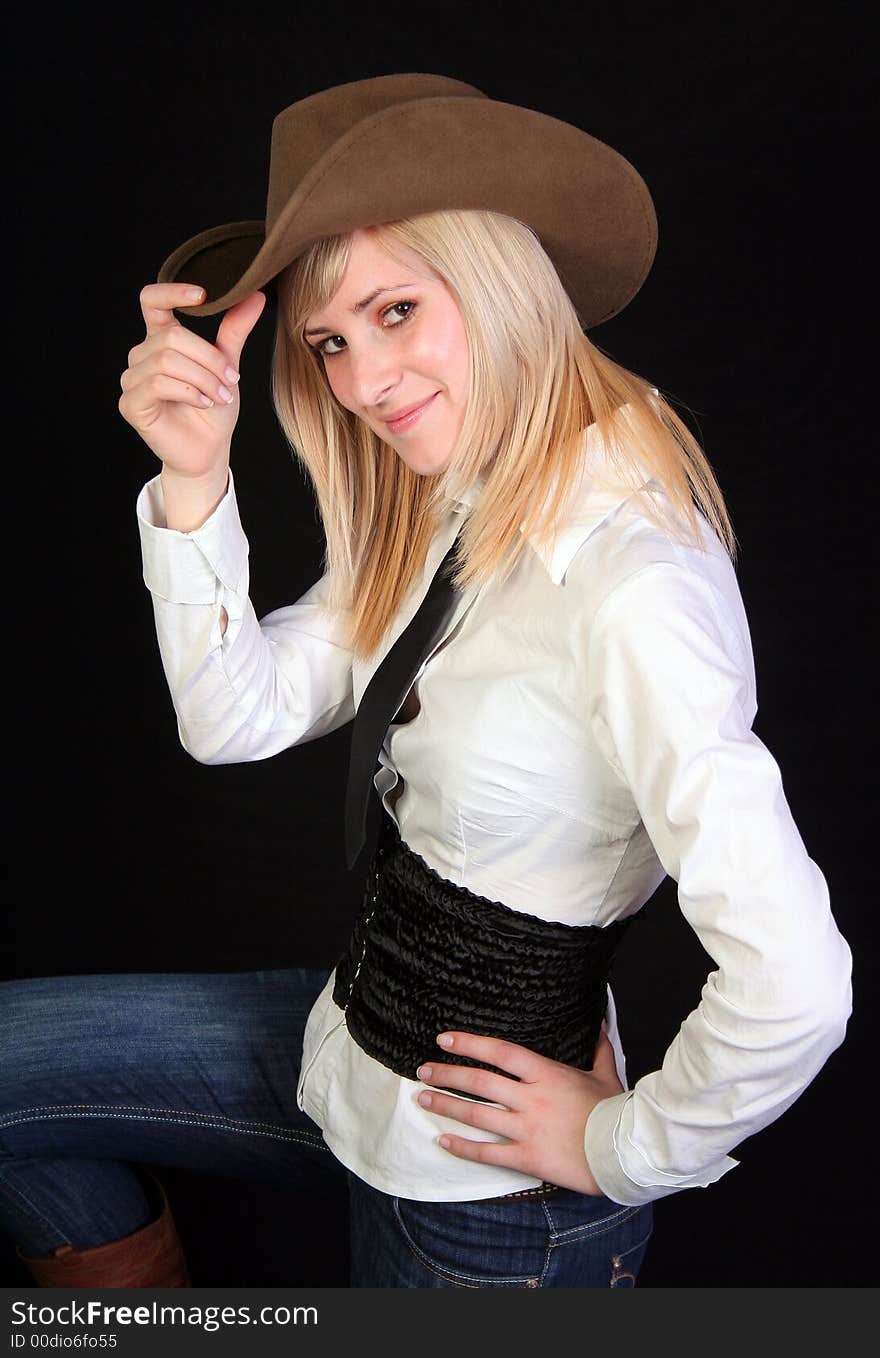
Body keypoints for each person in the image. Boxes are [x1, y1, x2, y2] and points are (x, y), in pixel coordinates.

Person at [0, 72, 852, 1290]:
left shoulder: (628, 584)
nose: (358, 382)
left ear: (499, 277)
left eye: (395, 310)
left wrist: (624, 1142)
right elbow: (233, 717)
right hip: (347, 1051)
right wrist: (194, 480)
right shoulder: (460, 501)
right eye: (331, 341)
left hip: (488, 1206)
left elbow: (797, 981)